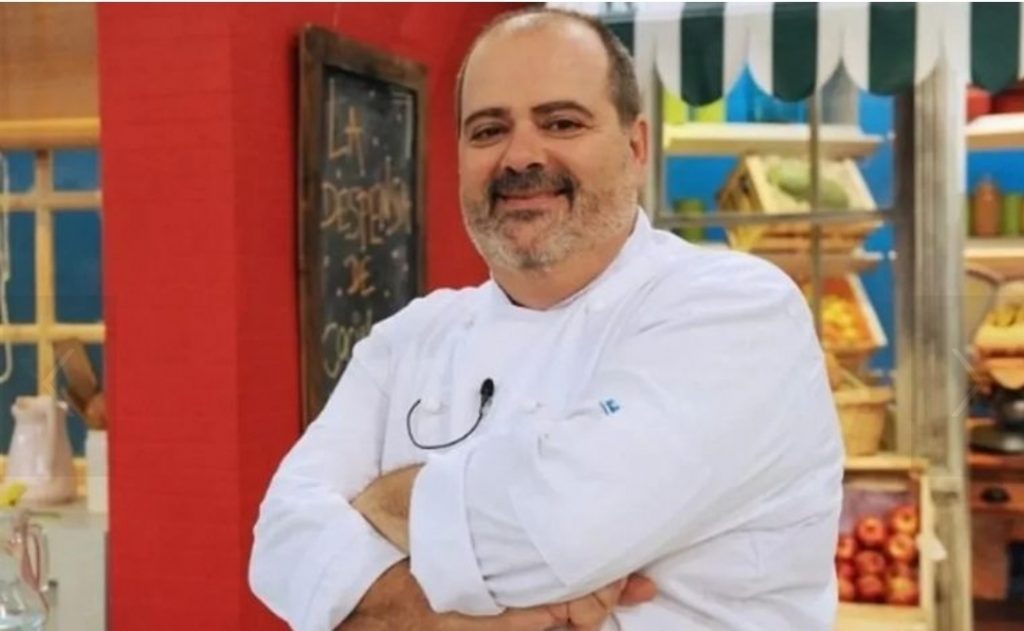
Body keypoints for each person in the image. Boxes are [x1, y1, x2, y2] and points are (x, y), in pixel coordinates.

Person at [249, 7, 843, 631]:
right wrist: (430, 615)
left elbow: (561, 531)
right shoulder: (409, 339)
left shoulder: (737, 311)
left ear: (636, 147)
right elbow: (281, 542)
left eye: (562, 122)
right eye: (488, 130)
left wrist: (371, 515)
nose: (521, 157)